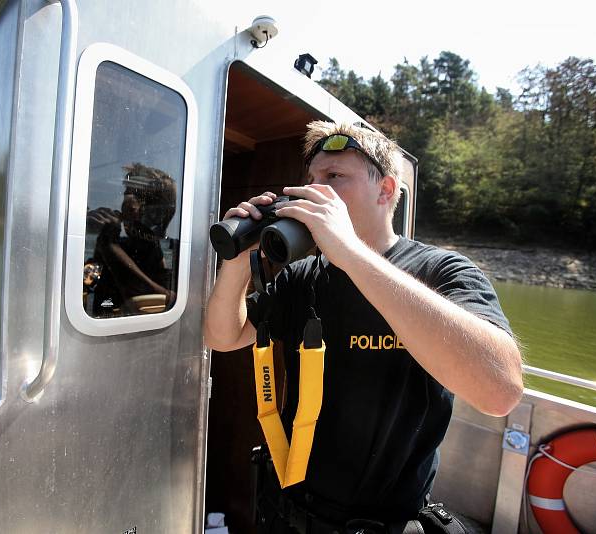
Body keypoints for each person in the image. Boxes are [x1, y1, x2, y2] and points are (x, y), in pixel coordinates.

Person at [203, 121, 523, 533]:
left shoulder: (442, 270)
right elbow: (223, 337)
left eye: (335, 177)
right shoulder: (304, 277)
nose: (313, 191)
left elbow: (500, 391)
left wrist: (350, 251)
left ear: (386, 190)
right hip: (285, 515)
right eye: (312, 179)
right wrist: (234, 265)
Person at [85, 163, 178, 317]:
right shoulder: (127, 242)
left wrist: (108, 244)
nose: (123, 206)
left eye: (130, 194)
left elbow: (146, 289)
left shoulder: (149, 246)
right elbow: (91, 278)